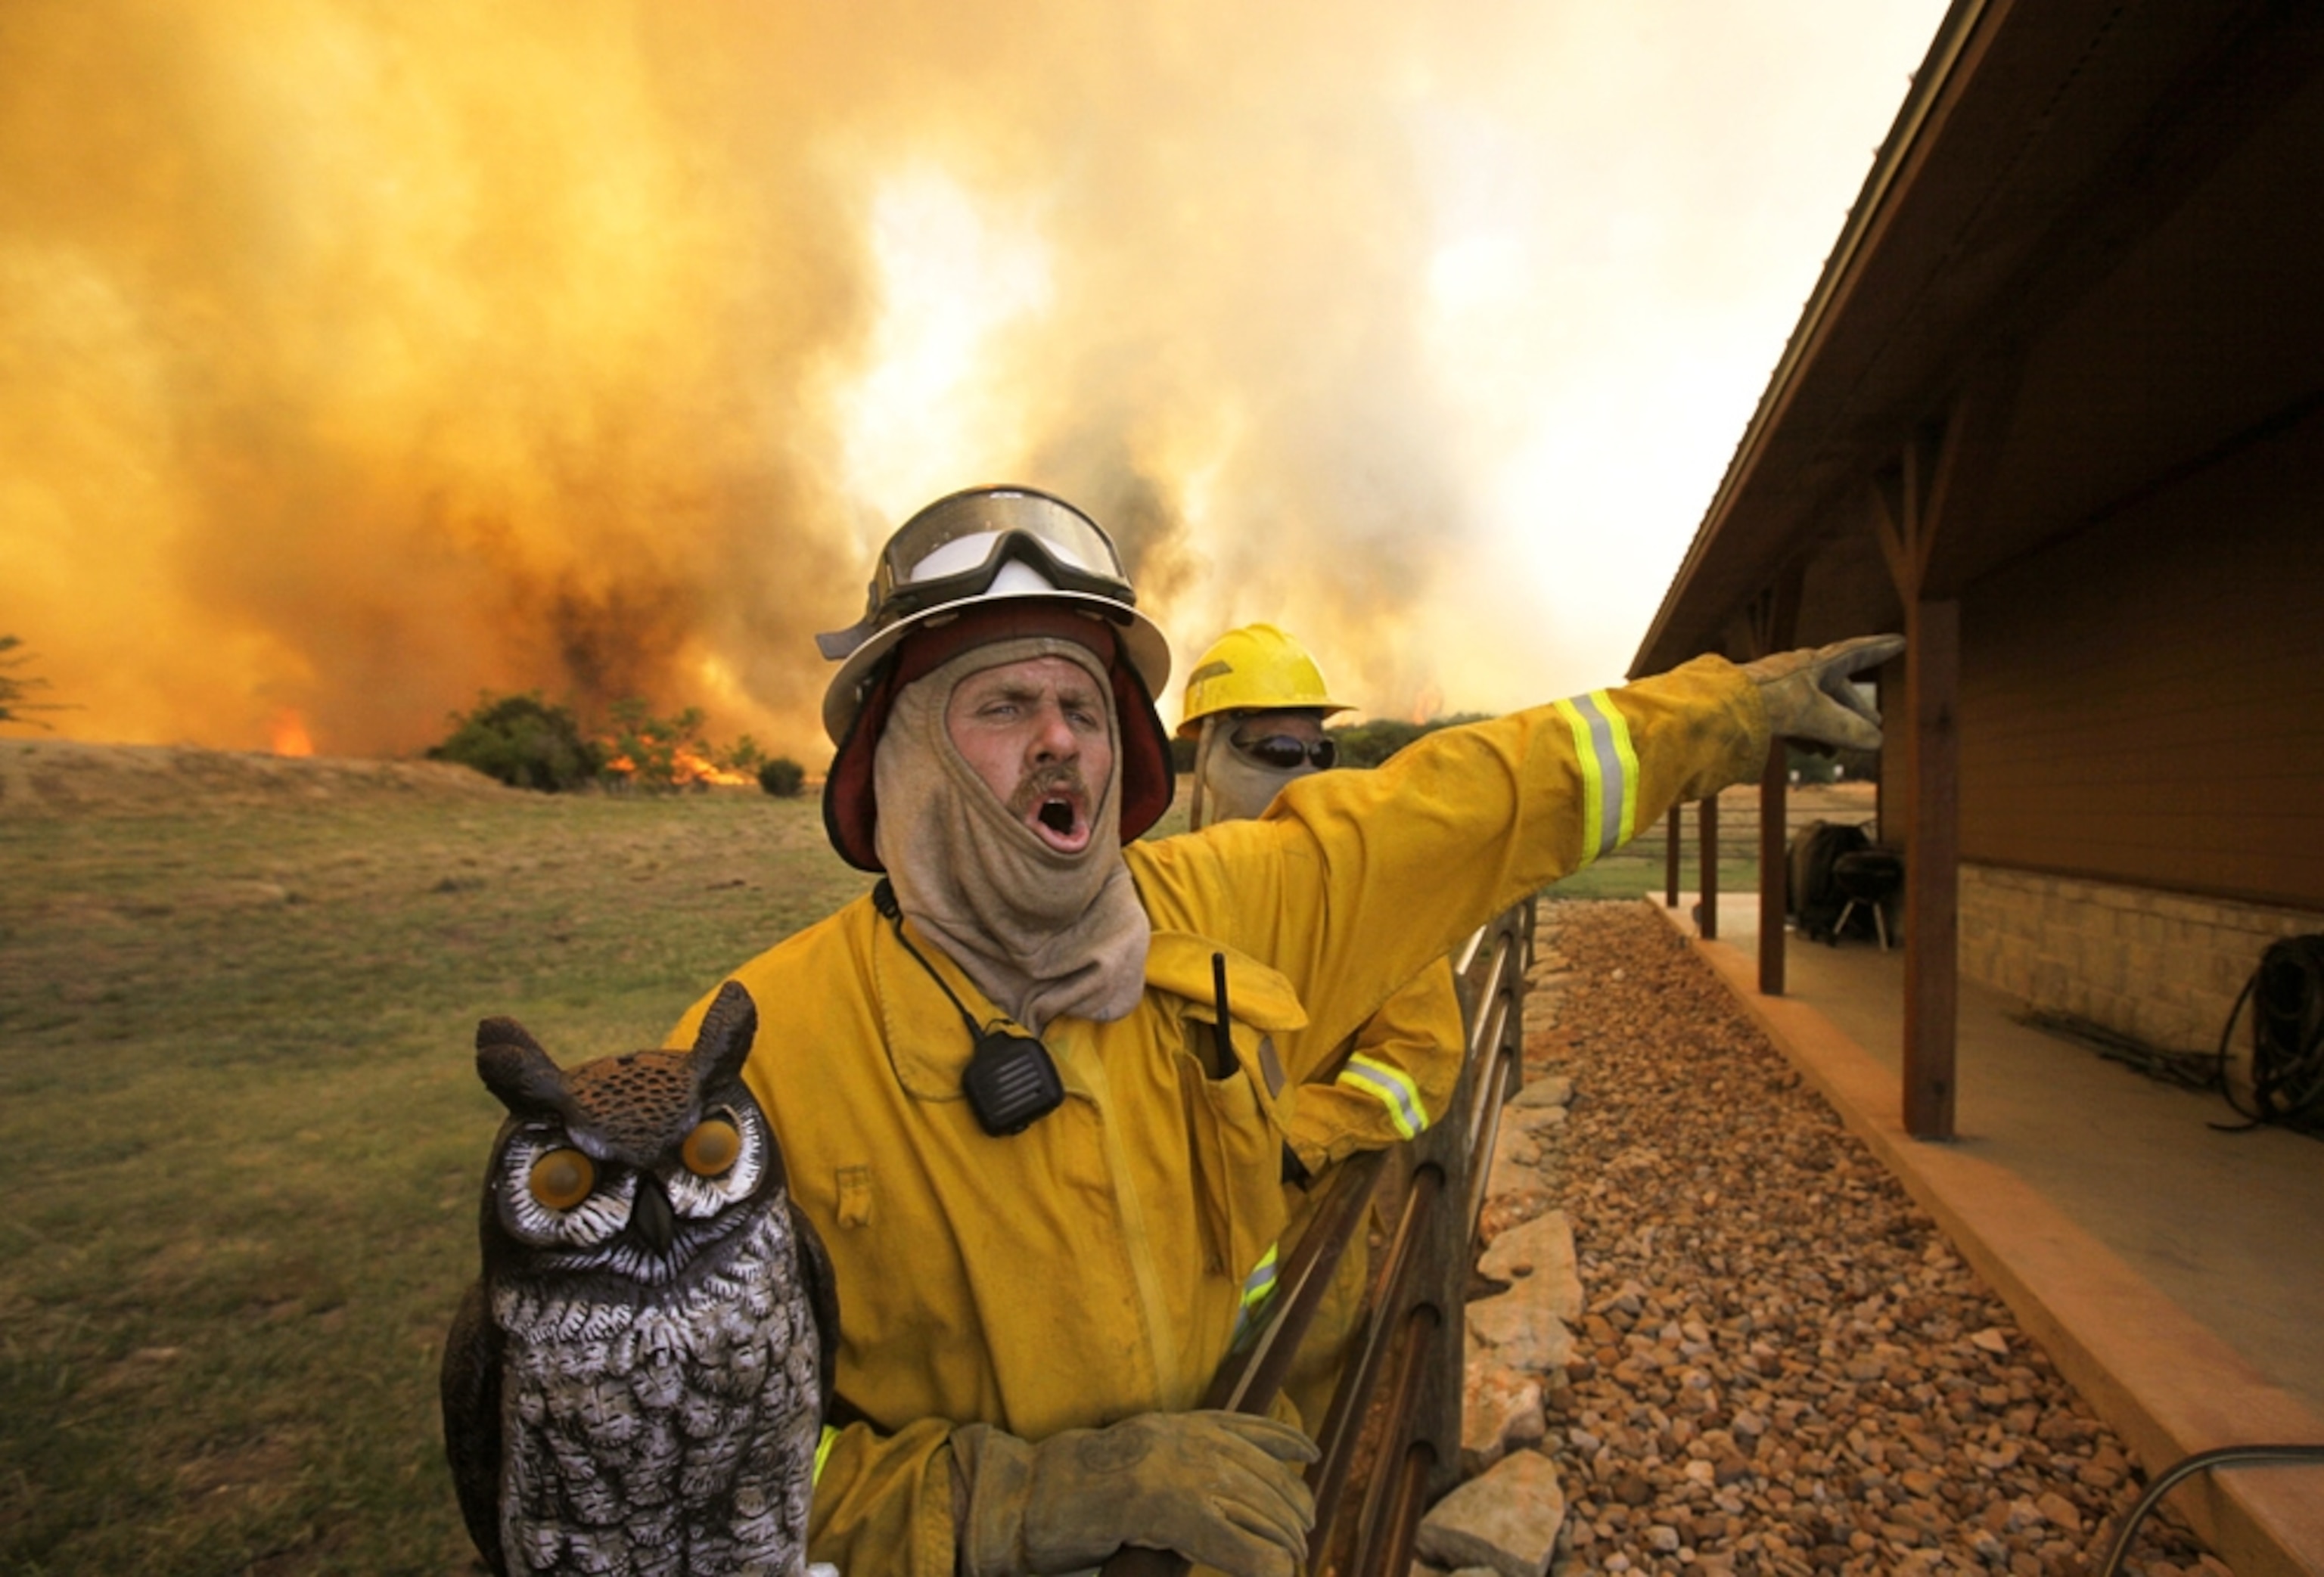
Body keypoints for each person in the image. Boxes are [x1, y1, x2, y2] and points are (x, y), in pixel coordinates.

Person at [666, 483, 1898, 1576]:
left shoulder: (1223, 911)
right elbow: (688, 1485)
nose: (1059, 739)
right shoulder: (752, 1060)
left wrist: (1723, 713)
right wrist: (1026, 1501)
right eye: (1002, 705)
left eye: (1083, 707)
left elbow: (1465, 805)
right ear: (898, 757)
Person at [1177, 622, 1468, 1430]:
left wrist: (1293, 1141)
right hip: (1177, 1258)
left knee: (1297, 1462)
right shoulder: (1161, 889)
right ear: (1207, 753)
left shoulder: (1370, 886)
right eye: (1278, 750)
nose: (1305, 775)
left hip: (1308, 1249)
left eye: (1318, 754)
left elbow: (1423, 1058)